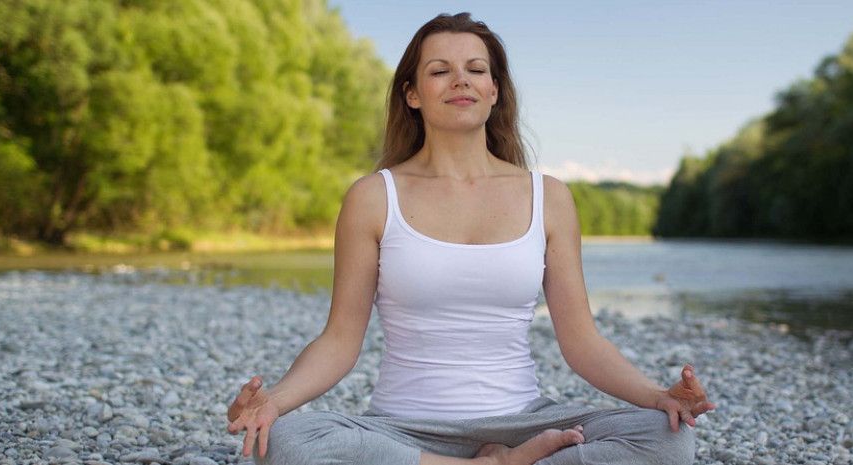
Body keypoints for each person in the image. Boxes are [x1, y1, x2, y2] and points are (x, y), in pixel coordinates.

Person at [225, 12, 715, 465]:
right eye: (439, 70)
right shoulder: (374, 197)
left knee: (667, 438)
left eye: (476, 69)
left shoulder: (549, 197)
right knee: (287, 441)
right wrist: (276, 401)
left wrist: (658, 397)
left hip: (524, 421)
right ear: (412, 94)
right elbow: (338, 342)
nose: (461, 79)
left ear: (494, 90)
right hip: (404, 429)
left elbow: (582, 342)